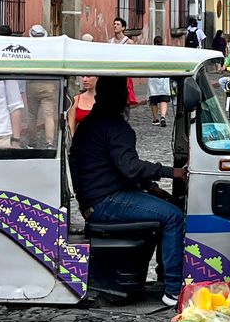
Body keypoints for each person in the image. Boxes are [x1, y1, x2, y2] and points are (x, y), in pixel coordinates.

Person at [69, 77, 187, 306]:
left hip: (96, 198)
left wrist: (152, 189)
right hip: (106, 201)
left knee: (168, 208)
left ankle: (164, 277)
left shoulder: (92, 122)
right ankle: (173, 290)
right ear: (123, 97)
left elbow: (119, 169)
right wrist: (171, 172)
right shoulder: (115, 126)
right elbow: (130, 168)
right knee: (173, 216)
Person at [26, 24, 57, 148]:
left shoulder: (28, 48)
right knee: (48, 115)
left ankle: (31, 142)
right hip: (48, 83)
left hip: (32, 83)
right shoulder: (49, 49)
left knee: (32, 115)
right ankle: (49, 142)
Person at [109, 17, 139, 108]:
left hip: (124, 73)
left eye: (118, 24)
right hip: (112, 73)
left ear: (123, 28)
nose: (115, 26)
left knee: (125, 96)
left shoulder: (129, 42)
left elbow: (134, 58)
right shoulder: (110, 42)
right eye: (114, 24)